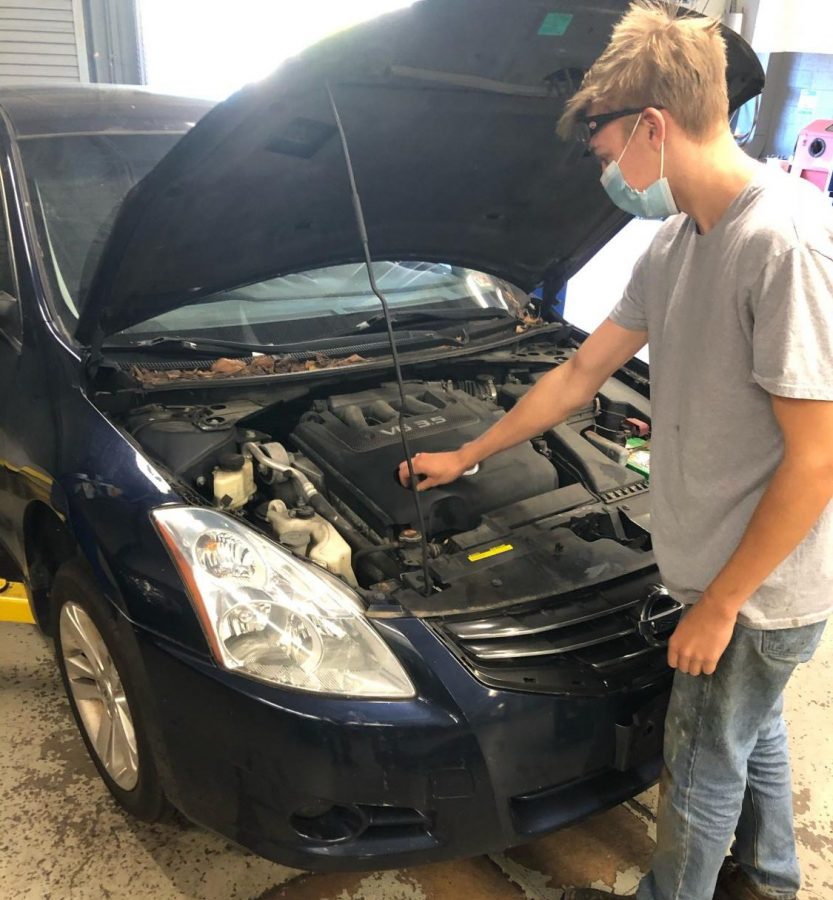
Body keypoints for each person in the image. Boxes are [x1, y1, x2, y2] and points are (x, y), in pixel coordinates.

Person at [397, 3, 833, 898]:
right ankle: (774, 880)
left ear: (650, 127)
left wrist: (721, 604)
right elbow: (579, 374)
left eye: (604, 158)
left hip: (757, 588)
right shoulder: (675, 240)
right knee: (749, 729)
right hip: (709, 562)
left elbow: (818, 459)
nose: (607, 177)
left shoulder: (781, 241)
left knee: (701, 755)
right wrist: (468, 453)